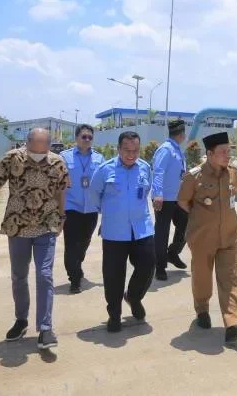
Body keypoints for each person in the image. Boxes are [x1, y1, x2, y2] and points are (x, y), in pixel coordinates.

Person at [0, 128, 69, 350]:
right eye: (34, 151)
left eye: (43, 152)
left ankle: (45, 328)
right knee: (19, 276)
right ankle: (21, 319)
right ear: (27, 144)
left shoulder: (57, 162)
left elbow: (61, 190)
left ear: (49, 147)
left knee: (44, 275)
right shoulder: (13, 158)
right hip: (18, 225)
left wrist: (62, 216)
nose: (38, 156)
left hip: (46, 224)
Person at [177, 132, 237, 344]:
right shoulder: (194, 176)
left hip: (229, 236)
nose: (227, 156)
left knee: (229, 279)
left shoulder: (232, 173)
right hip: (203, 238)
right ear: (209, 154)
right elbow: (184, 202)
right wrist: (202, 218)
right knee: (202, 278)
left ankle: (233, 324)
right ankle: (202, 310)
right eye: (223, 152)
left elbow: (233, 197)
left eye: (229, 151)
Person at [89, 131, 156, 333]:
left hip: (141, 228)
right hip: (114, 232)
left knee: (148, 265)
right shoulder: (104, 170)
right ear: (118, 149)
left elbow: (146, 191)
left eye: (135, 150)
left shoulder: (144, 168)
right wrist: (110, 214)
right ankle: (114, 314)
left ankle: (133, 297)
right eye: (126, 150)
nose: (131, 154)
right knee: (113, 276)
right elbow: (94, 195)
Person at [60, 124, 104, 293]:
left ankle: (77, 264)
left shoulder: (99, 159)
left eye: (90, 137)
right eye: (83, 136)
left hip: (91, 209)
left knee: (84, 243)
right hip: (71, 208)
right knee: (71, 244)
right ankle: (75, 278)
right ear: (76, 138)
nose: (87, 140)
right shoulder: (64, 157)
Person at [152, 119, 189, 281]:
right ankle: (159, 266)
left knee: (186, 226)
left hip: (178, 198)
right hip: (165, 198)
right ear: (181, 134)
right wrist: (158, 194)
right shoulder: (165, 150)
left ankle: (172, 253)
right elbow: (158, 172)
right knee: (162, 232)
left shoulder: (178, 150)